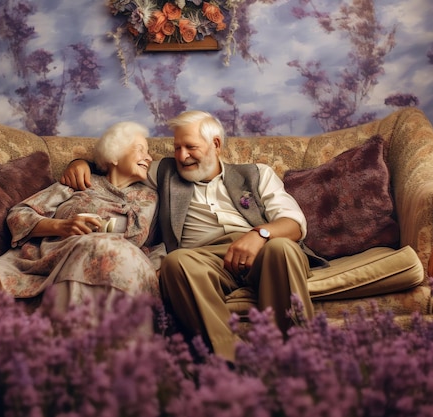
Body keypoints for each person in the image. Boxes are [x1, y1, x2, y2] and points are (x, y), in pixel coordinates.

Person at [61, 111, 327, 362]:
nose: (182, 155)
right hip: (203, 260)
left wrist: (260, 234)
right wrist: (80, 162)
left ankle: (298, 354)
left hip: (263, 248)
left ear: (216, 144)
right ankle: (230, 361)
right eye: (177, 148)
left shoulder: (257, 173)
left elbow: (293, 223)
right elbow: (117, 162)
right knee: (176, 262)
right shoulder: (164, 173)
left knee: (282, 247)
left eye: (190, 147)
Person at [0, 121, 165, 314]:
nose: (149, 158)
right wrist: (62, 226)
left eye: (148, 152)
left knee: (109, 250)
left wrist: (156, 268)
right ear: (115, 155)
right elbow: (19, 215)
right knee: (99, 245)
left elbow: (159, 244)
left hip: (122, 267)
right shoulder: (79, 182)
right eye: (140, 149)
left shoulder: (152, 198)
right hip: (59, 256)